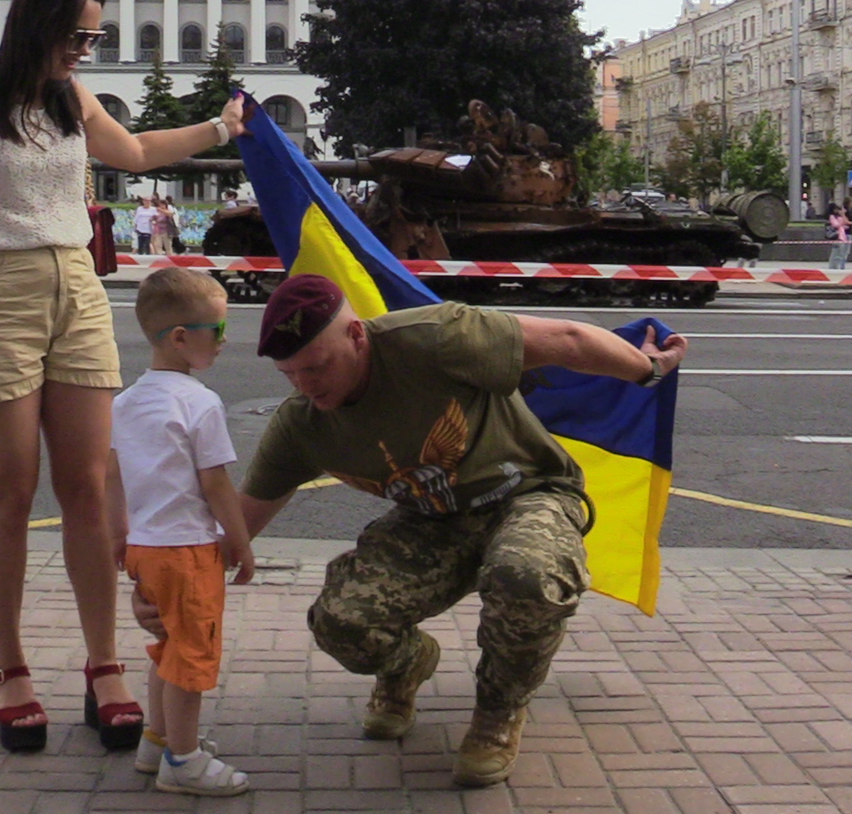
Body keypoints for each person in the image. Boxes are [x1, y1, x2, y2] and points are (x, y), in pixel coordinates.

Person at [136, 275, 690, 789]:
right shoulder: (302, 423)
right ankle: (407, 666)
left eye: (318, 367)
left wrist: (650, 371)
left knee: (524, 575)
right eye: (291, 375)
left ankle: (498, 711)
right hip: (434, 523)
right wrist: (170, 590)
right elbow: (237, 526)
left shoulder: (438, 339)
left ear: (356, 335)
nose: (307, 386)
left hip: (529, 495)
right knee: (340, 621)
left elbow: (566, 339)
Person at [0, 0, 248, 755]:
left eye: (94, 36)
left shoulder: (71, 99)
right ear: (38, 22)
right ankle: (11, 669)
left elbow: (134, 153)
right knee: (11, 493)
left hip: (78, 290)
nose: (85, 49)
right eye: (77, 34)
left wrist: (222, 127)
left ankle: (104, 667)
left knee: (90, 486)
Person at [111, 269, 255, 795]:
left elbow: (110, 476)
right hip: (189, 548)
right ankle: (184, 761)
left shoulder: (125, 403)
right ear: (180, 339)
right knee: (193, 657)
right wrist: (238, 540)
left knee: (166, 647)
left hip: (146, 546)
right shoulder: (200, 402)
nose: (223, 341)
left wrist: (117, 537)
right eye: (216, 331)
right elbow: (215, 483)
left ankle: (158, 739)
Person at [826, 203, 852, 269]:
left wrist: (843, 215)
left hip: (842, 236)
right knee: (836, 252)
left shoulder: (839, 216)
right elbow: (836, 225)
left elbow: (846, 222)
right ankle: (833, 266)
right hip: (837, 236)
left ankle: (840, 266)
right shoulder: (832, 216)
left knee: (842, 252)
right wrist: (842, 224)